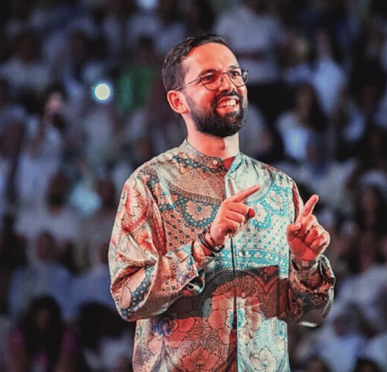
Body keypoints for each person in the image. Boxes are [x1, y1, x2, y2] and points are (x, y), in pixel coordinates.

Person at [108, 33, 335, 371]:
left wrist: (306, 266)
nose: (228, 85)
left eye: (234, 73)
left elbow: (311, 315)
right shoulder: (150, 185)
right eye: (209, 77)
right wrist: (205, 244)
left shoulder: (278, 187)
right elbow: (128, 299)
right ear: (177, 101)